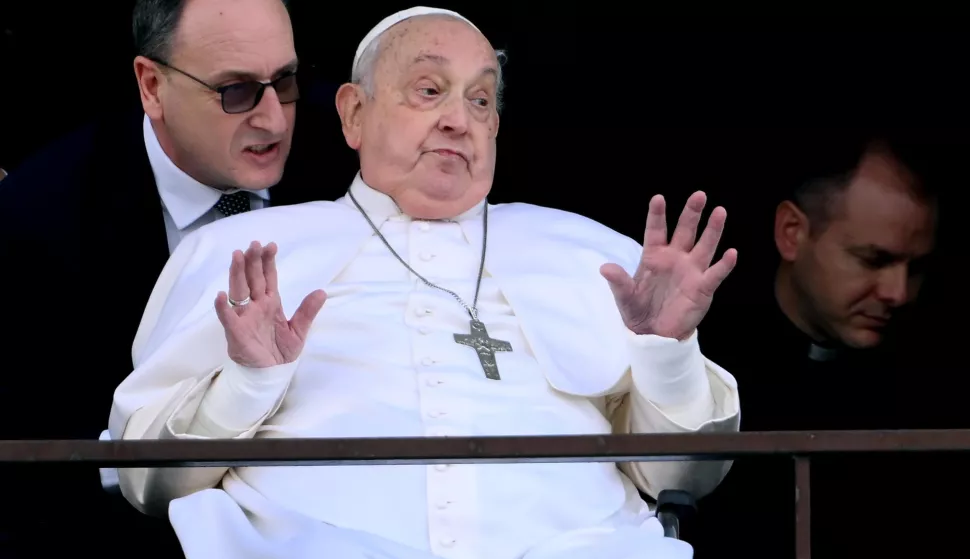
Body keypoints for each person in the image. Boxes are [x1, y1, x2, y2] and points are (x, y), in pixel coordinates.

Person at [110, 7, 741, 559]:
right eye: (429, 89)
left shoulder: (593, 253)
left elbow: (680, 479)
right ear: (354, 114)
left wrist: (666, 354)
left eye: (480, 99)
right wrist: (247, 386)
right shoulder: (240, 252)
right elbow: (147, 484)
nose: (457, 120)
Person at [0, 0, 326, 556]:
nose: (274, 119)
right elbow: (33, 460)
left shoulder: (351, 162)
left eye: (285, 80)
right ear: (151, 86)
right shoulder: (37, 219)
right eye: (236, 91)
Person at [693, 134, 939, 559]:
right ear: (792, 233)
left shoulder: (932, 380)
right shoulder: (700, 358)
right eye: (873, 260)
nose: (898, 292)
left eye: (914, 268)